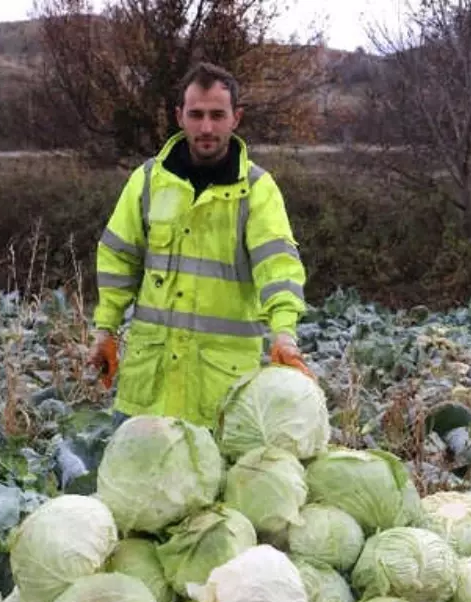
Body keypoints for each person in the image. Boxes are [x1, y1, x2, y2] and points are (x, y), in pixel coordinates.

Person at [88, 61, 313, 429]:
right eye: (196, 114)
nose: (206, 127)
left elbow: (279, 268)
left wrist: (284, 334)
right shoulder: (146, 182)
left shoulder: (257, 190)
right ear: (180, 116)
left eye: (216, 115)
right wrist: (105, 330)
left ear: (235, 118)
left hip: (220, 393)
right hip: (149, 387)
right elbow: (117, 260)